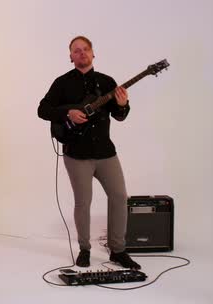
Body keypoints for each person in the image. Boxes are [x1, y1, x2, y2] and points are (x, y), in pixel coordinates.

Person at [38, 36, 140, 270]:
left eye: (86, 49)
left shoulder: (107, 82)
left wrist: (123, 104)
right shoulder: (62, 83)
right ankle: (84, 249)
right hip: (76, 154)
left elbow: (119, 115)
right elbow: (43, 109)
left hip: (106, 152)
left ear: (93, 54)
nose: (82, 53)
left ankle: (118, 250)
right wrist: (68, 113)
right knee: (83, 203)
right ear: (71, 57)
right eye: (76, 50)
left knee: (119, 197)